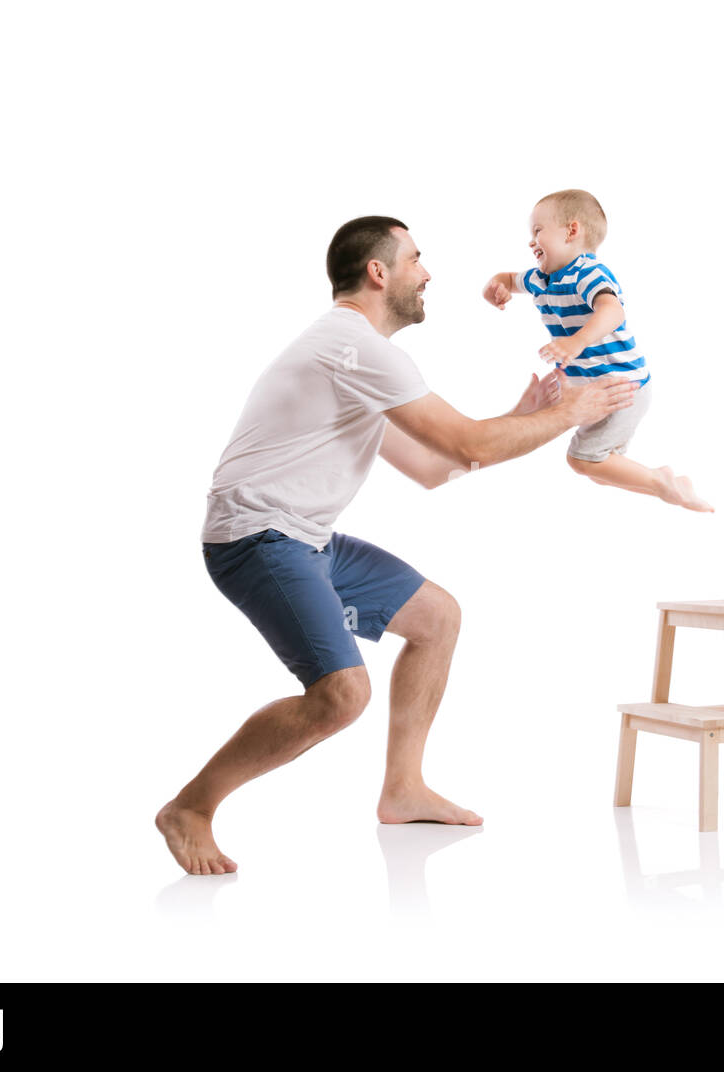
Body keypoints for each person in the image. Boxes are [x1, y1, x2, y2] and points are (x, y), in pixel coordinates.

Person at [156, 215, 640, 875]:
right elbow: (467, 444)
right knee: (341, 695)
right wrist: (571, 414)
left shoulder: (355, 360)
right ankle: (190, 807)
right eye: (416, 258)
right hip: (255, 538)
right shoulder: (352, 347)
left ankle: (403, 788)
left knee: (436, 617)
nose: (428, 272)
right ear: (379, 273)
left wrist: (531, 417)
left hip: (304, 539)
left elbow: (436, 468)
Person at [481, 189, 713, 512]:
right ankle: (666, 483)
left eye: (537, 231)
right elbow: (507, 277)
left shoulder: (586, 272)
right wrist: (495, 287)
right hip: (601, 387)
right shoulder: (540, 278)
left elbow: (612, 310)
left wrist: (576, 341)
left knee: (582, 459)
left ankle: (663, 483)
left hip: (621, 386)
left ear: (571, 231)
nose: (531, 242)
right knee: (601, 469)